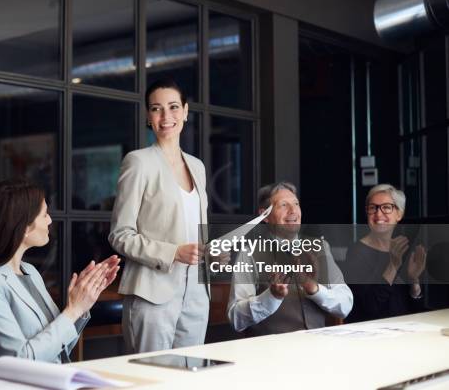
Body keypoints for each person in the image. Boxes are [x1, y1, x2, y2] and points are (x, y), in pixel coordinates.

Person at [0, 179, 120, 372]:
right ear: (24, 226)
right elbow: (19, 360)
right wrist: (72, 311)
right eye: (45, 214)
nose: (50, 220)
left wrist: (82, 303)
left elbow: (60, 349)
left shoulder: (30, 272)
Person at [108, 77, 210, 353]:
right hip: (153, 293)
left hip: (196, 294)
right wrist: (174, 252)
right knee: (153, 378)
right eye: (156, 108)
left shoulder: (197, 167)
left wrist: (211, 251)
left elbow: (193, 230)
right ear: (148, 116)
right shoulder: (138, 162)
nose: (166, 116)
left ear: (186, 111)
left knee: (189, 379)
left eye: (174, 107)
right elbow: (120, 235)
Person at [227, 182, 353, 335]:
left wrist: (314, 289)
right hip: (271, 352)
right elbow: (236, 318)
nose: (293, 211)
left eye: (296, 204)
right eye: (284, 205)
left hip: (318, 348)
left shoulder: (320, 247)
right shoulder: (249, 253)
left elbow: (345, 305)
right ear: (264, 215)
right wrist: (271, 297)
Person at [344, 184, 426, 322]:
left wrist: (414, 280)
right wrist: (392, 266)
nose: (378, 214)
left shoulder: (403, 248)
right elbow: (370, 308)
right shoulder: (356, 252)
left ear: (399, 214)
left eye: (387, 207)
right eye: (373, 208)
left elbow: (416, 310)